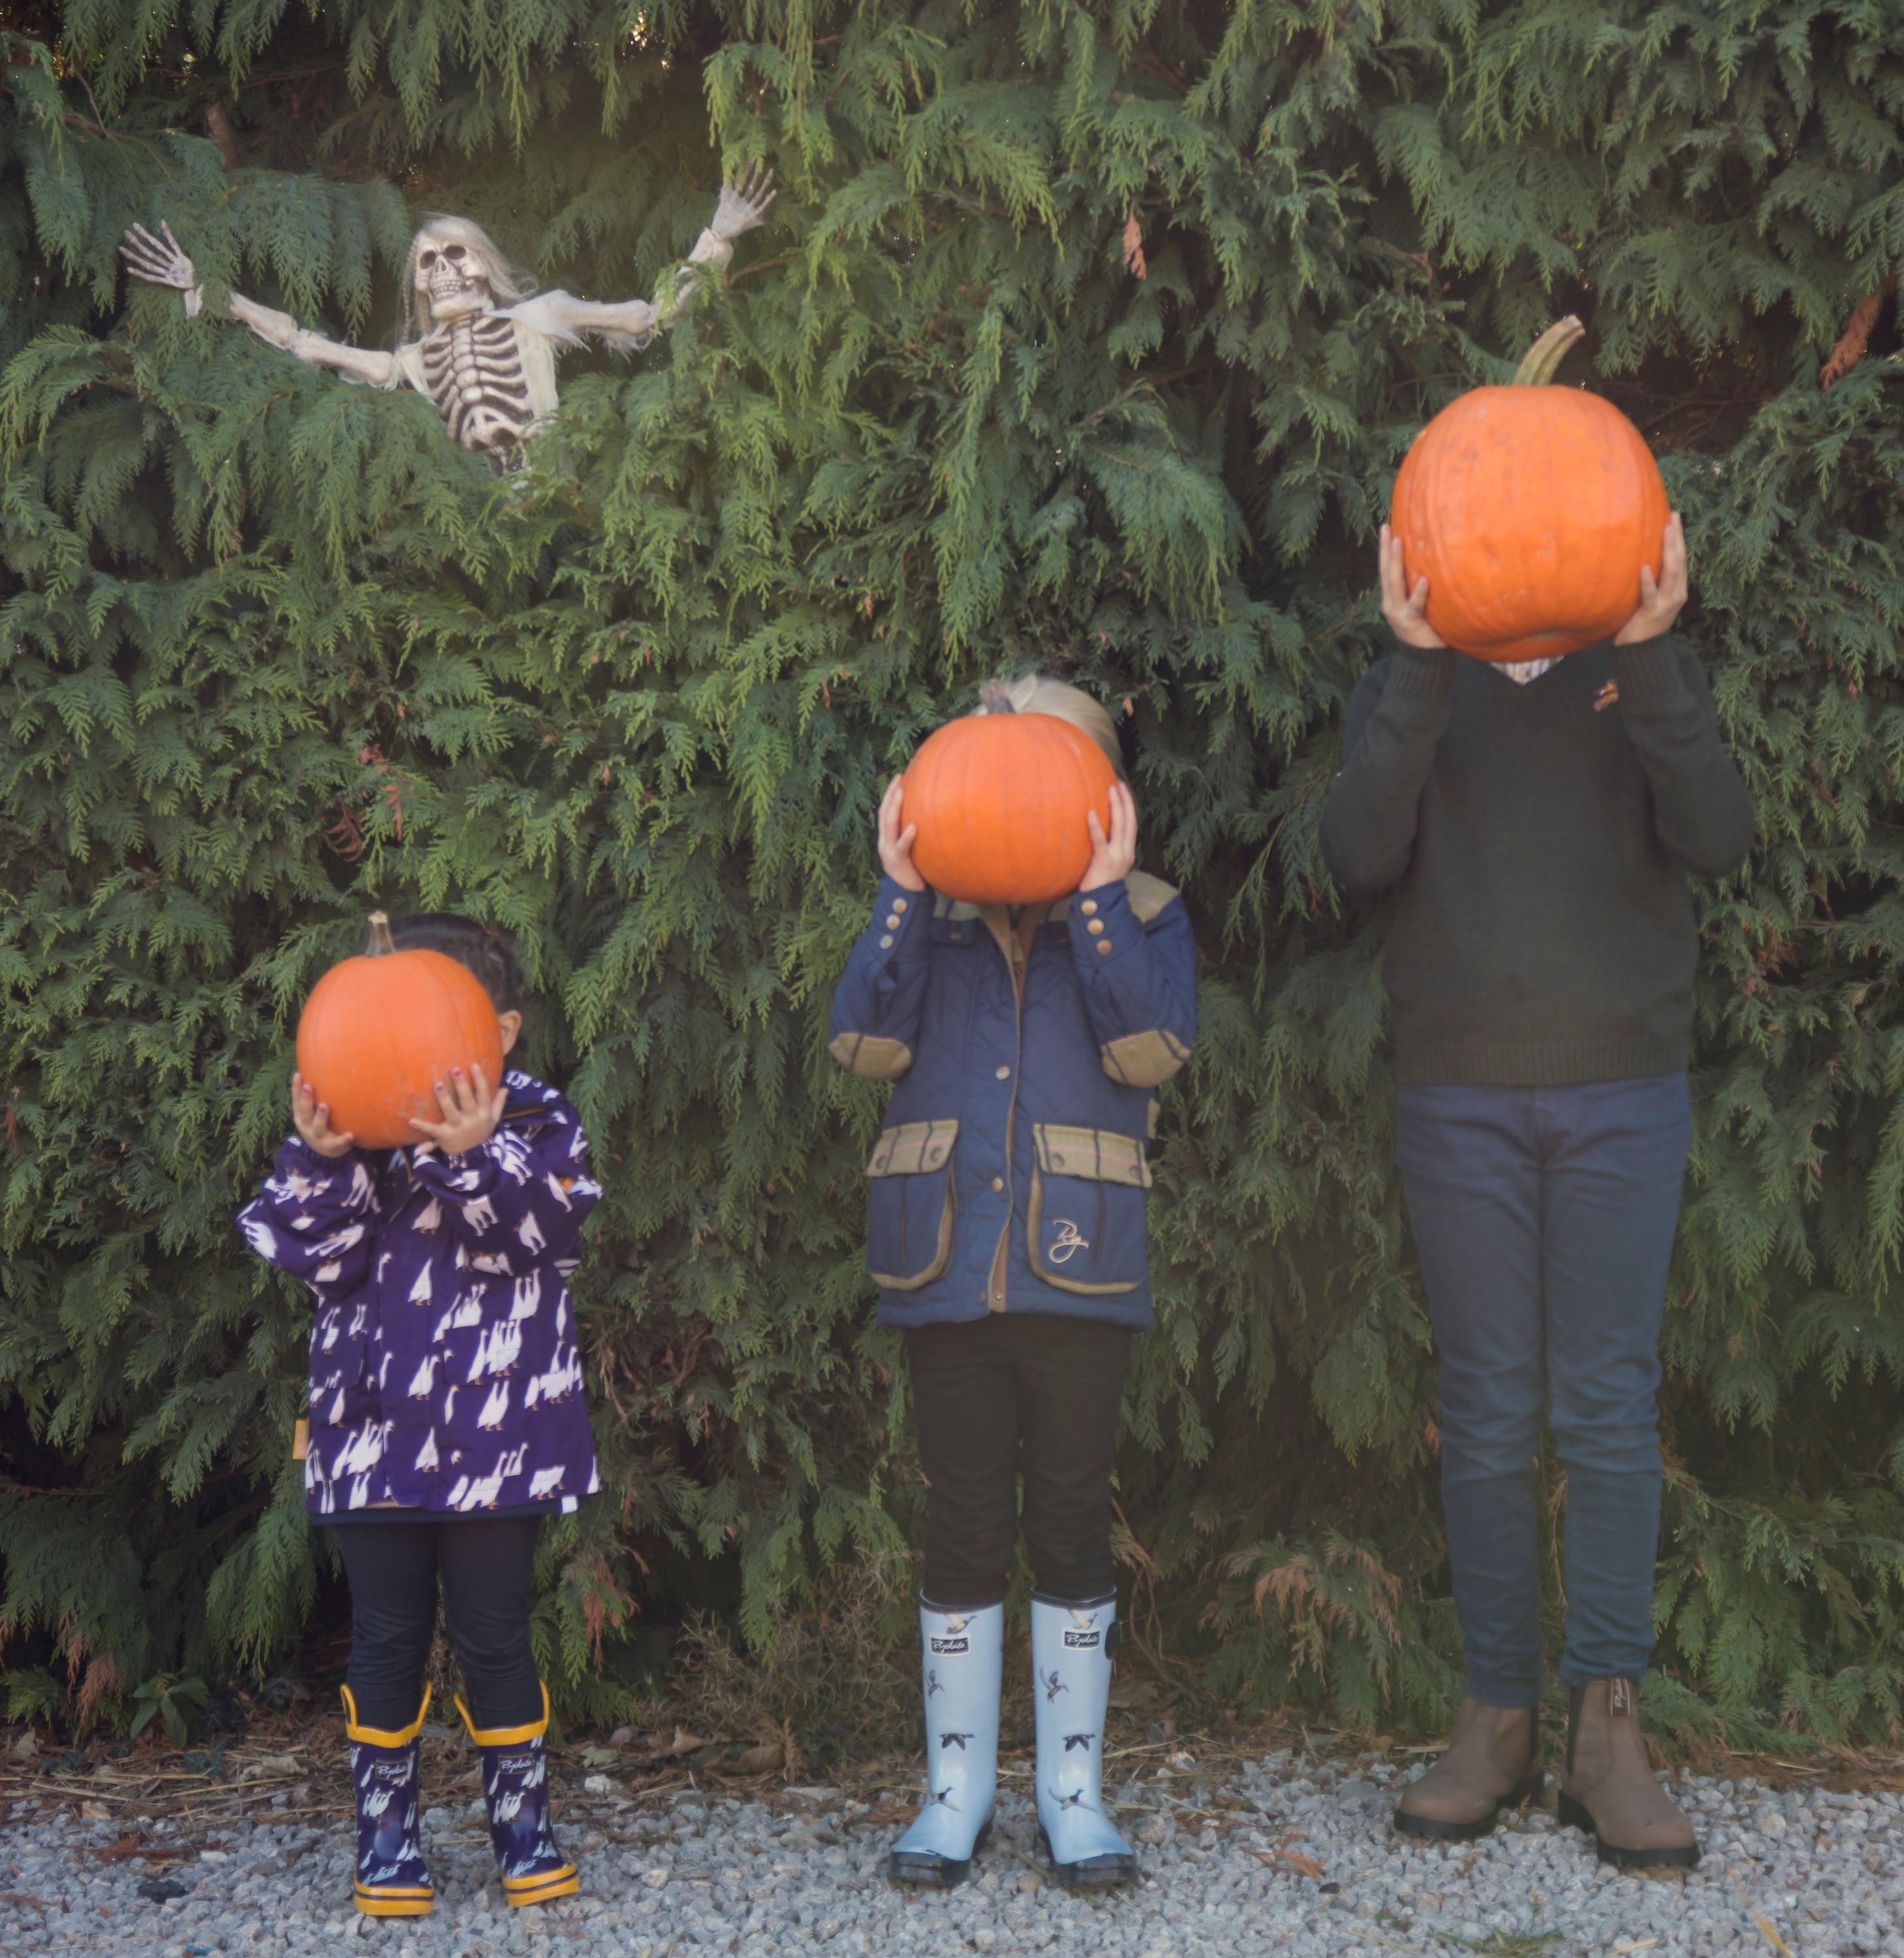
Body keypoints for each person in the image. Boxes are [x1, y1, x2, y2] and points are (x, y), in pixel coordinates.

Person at [1320, 516, 1754, 1868]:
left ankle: (1606, 1732)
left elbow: (1719, 834)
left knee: (1609, 1409)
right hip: (1459, 1095)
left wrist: (1653, 652)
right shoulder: (1412, 682)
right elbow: (1356, 854)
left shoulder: (1637, 671)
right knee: (1485, 1412)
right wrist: (1414, 662)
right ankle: (1495, 1716)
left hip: (1623, 1089)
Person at [829, 676, 1198, 1889]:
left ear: (1105, 796)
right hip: (944, 1263)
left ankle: (1072, 1793)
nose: (1012, 786)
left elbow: (1149, 1050)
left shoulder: (1146, 912)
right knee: (963, 1517)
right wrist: (898, 892)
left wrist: (1098, 903)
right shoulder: (926, 922)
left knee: (1073, 1516)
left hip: (1078, 1262)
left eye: (1044, 764)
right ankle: (956, 1791)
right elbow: (862, 1044)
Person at [236, 916, 602, 1918]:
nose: (397, 1042)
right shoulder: (349, 1136)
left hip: (502, 1437)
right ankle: (385, 1838)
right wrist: (322, 1161)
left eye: (427, 1018)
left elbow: (535, 1235)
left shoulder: (539, 1125)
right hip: (371, 1435)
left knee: (494, 1633)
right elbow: (316, 1261)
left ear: (502, 1031)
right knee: (387, 1636)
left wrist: (471, 1154)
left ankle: (523, 1830)